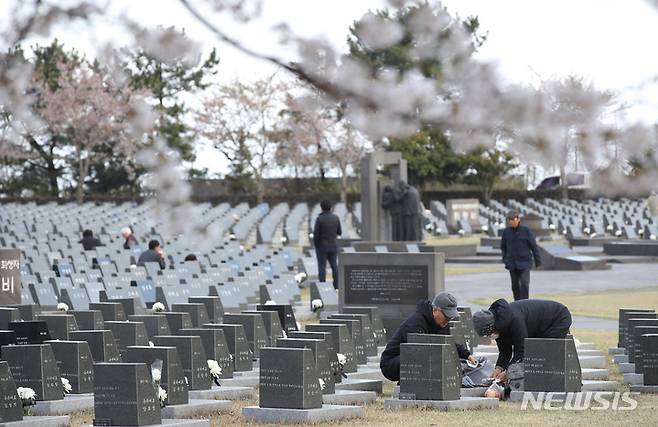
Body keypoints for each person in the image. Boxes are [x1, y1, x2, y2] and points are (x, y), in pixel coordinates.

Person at [380, 292, 477, 382]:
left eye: (450, 317)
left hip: (414, 357)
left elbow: (448, 343)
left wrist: (467, 355)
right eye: (446, 316)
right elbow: (419, 351)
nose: (448, 320)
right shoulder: (416, 322)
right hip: (392, 363)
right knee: (424, 355)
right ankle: (407, 386)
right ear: (435, 310)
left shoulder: (442, 324)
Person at [472, 298, 572, 382]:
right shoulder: (499, 325)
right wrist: (499, 368)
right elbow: (505, 351)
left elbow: (521, 350)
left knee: (544, 354)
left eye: (489, 334)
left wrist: (508, 372)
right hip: (538, 326)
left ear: (492, 327)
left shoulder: (514, 320)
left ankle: (562, 381)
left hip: (558, 317)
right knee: (537, 356)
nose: (490, 337)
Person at [500, 210, 541, 300]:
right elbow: (503, 247)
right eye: (509, 219)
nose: (511, 221)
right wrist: (505, 259)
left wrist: (538, 261)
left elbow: (533, 246)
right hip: (512, 263)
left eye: (513, 219)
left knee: (524, 284)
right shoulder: (506, 232)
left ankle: (525, 303)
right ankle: (517, 304)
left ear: (518, 219)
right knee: (515, 286)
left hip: (524, 262)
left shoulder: (526, 231)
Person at [313, 199, 342, 290]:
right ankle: (336, 285)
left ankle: (322, 285)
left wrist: (316, 244)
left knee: (322, 267)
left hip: (322, 246)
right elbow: (339, 232)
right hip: (333, 245)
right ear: (331, 208)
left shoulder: (319, 219)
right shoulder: (336, 218)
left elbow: (316, 234)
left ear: (321, 208)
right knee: (334, 266)